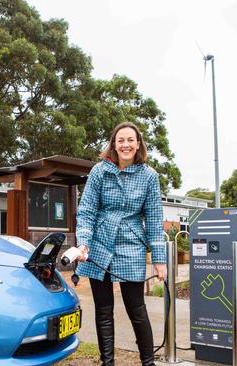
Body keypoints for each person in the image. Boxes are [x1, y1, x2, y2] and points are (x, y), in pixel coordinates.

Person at [75, 121, 167, 366]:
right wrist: (83, 243)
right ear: (114, 145)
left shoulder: (149, 176)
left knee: (137, 309)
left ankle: (148, 362)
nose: (125, 144)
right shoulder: (99, 171)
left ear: (138, 145)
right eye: (121, 140)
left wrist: (159, 259)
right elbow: (86, 211)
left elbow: (155, 219)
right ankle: (108, 363)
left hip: (131, 245)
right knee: (103, 310)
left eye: (130, 140)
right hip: (99, 243)